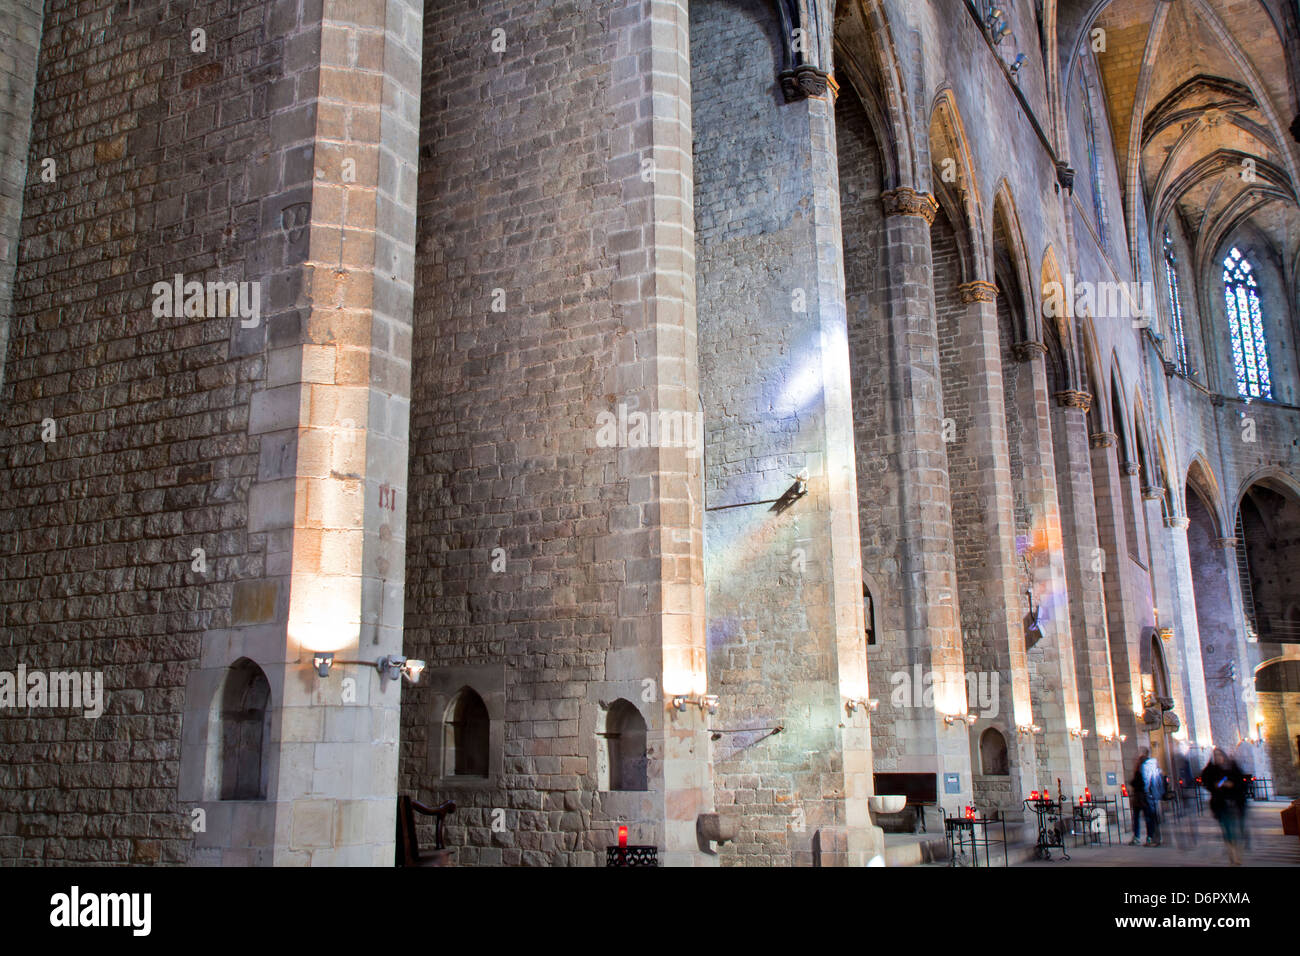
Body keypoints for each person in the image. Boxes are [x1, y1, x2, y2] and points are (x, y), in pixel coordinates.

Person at [1201, 748, 1248, 864]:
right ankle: (1232, 854)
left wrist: (1232, 784)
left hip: (1235, 802)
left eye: (1219, 755)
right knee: (1227, 829)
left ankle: (1238, 852)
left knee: (1238, 830)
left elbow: (1241, 782)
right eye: (1215, 756)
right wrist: (1214, 785)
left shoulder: (1232, 768)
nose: (1218, 758)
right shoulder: (1211, 770)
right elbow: (1206, 782)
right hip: (1221, 804)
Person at [1140, 751, 1165, 846]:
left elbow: (1146, 781)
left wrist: (1146, 792)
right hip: (1156, 794)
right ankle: (1158, 838)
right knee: (1155, 817)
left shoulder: (1145, 766)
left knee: (1150, 817)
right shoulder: (1155, 766)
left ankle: (1152, 838)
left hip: (1150, 794)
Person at [1128, 752, 1147, 845]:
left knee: (1137, 818)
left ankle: (1137, 837)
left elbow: (1135, 783)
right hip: (1146, 797)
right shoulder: (1148, 771)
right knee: (1147, 817)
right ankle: (1150, 836)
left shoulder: (1139, 772)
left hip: (1140, 797)